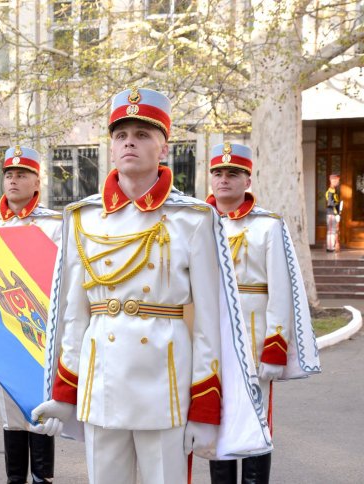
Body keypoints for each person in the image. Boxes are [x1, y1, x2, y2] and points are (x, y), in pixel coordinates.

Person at [31, 88, 271, 484]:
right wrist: (63, 393)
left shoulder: (193, 219)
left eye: (143, 134)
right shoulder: (82, 218)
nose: (129, 141)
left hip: (165, 383)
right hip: (100, 379)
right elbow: (73, 317)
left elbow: (211, 324)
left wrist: (206, 409)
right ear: (110, 147)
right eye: (121, 134)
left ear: (163, 148)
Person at [206, 142, 320, 484]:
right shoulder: (197, 221)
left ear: (247, 180)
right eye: (218, 173)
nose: (224, 180)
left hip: (253, 342)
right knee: (216, 420)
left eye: (233, 174)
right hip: (211, 341)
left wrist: (275, 345)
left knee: (255, 421)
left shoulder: (267, 225)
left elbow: (281, 291)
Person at [0, 145, 62, 484]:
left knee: (39, 409)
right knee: (10, 413)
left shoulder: (53, 225)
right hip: (1, 331)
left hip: (40, 330)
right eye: (9, 175)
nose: (14, 180)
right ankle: (15, 479)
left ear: (37, 182)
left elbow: (61, 281)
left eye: (22, 174)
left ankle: (42, 478)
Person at [325, 173, 342, 252]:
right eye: (337, 180)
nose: (338, 182)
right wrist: (336, 214)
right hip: (331, 213)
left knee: (333, 231)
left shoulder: (334, 190)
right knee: (331, 231)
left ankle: (332, 246)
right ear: (333, 180)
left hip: (333, 213)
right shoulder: (331, 190)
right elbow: (331, 203)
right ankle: (330, 248)